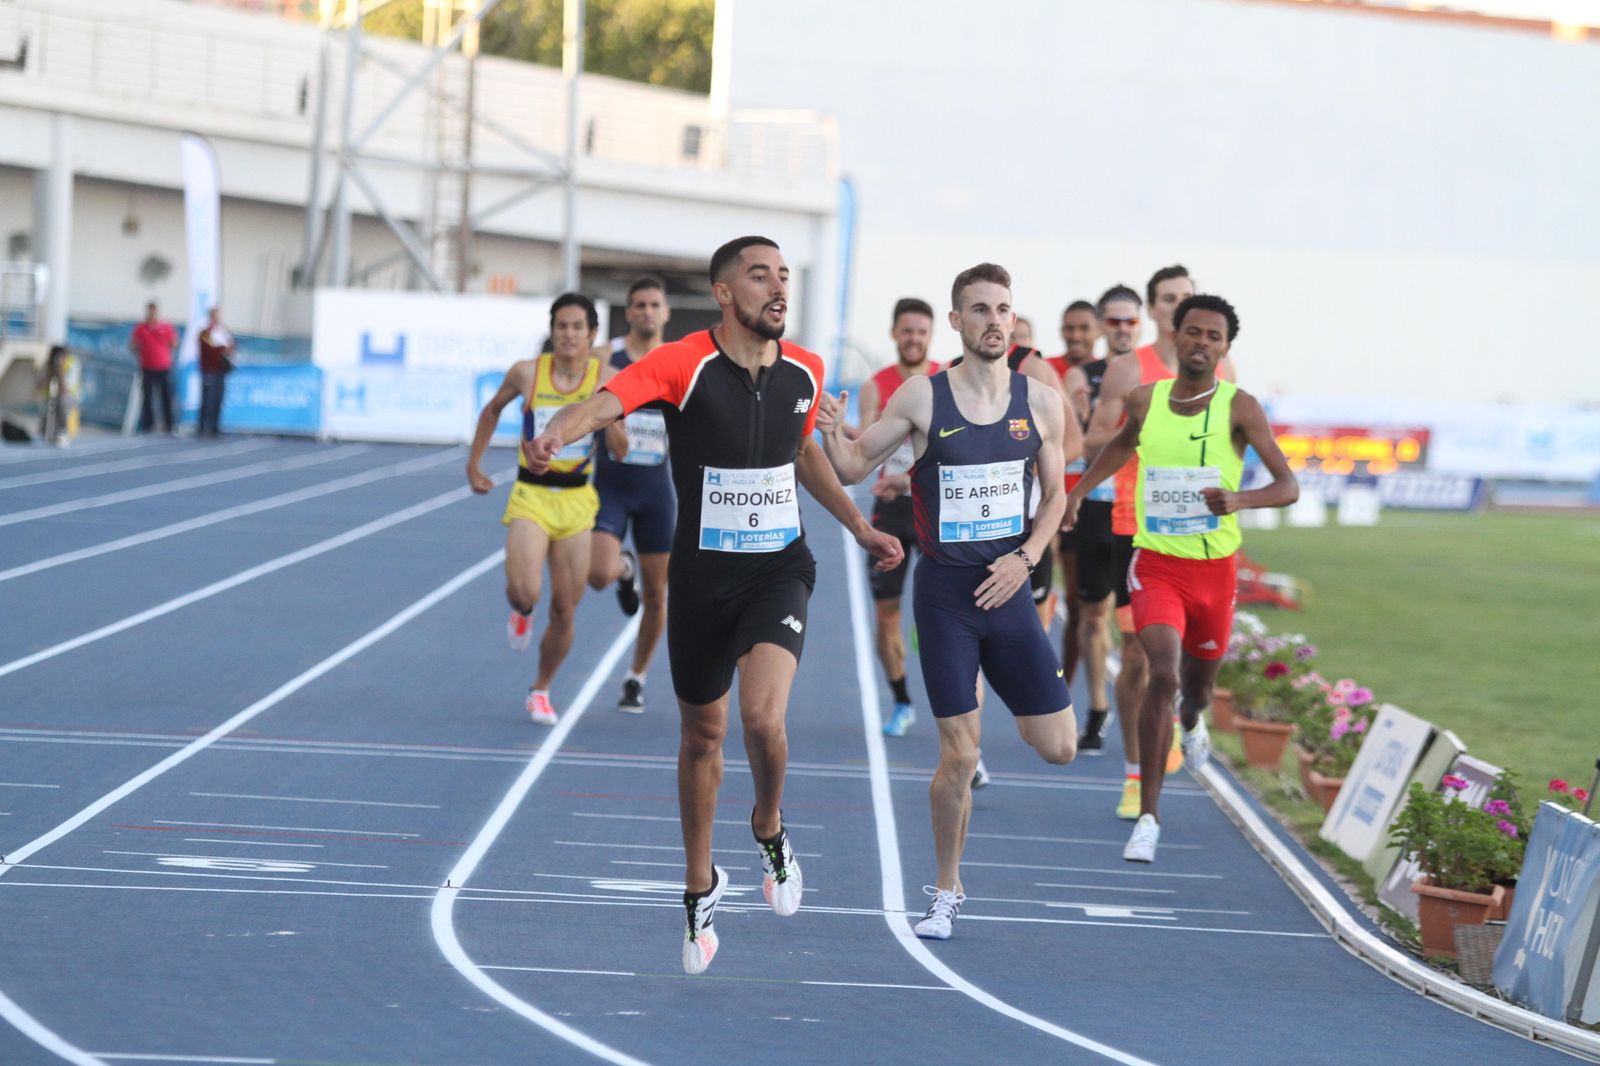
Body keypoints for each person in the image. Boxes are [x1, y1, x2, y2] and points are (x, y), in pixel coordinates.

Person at [523, 236, 903, 976]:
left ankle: (769, 824)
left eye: (784, 275)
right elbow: (605, 403)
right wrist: (554, 434)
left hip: (779, 570)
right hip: (702, 578)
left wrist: (859, 528)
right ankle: (700, 886)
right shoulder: (682, 362)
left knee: (762, 719)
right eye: (761, 276)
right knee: (703, 736)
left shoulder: (807, 370)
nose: (779, 287)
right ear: (725, 293)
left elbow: (804, 452)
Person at [816, 262, 1077, 941]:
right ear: (956, 321)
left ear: (1013, 319)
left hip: (1009, 589)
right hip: (946, 598)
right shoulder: (922, 397)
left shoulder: (1041, 401)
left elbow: (1056, 497)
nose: (994, 320)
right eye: (980, 309)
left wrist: (1026, 559)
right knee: (959, 755)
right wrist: (832, 430)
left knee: (1059, 747)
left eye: (1003, 309)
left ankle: (1003, 689)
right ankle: (946, 890)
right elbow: (852, 467)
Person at [1064, 294, 1297, 863]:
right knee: (1161, 674)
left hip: (1214, 572)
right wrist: (1076, 494)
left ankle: (1193, 721)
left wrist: (1238, 500)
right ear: (1176, 337)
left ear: (1225, 348)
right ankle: (1149, 816)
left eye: (1213, 337)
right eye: (1193, 332)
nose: (1201, 343)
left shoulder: (1241, 408)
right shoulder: (1145, 400)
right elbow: (1120, 445)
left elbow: (1287, 486)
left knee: (1195, 690)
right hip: (1156, 564)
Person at [1086, 272, 1238, 810]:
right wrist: (1150, 431)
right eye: (1170, 300)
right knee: (1137, 657)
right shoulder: (1130, 370)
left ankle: (1185, 719)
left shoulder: (1225, 373)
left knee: (1184, 668)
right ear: (1153, 310)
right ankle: (1135, 775)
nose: (1179, 307)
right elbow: (1095, 440)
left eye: (1186, 298)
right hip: (1138, 530)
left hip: (1201, 539)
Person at [465, 293, 628, 726]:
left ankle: (541, 689)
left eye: (577, 327)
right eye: (561, 326)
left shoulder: (607, 378)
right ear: (552, 330)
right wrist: (474, 464)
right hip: (532, 495)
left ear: (592, 334)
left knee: (565, 610)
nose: (569, 335)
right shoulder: (527, 372)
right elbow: (492, 410)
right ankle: (521, 612)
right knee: (525, 592)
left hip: (577, 500)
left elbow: (623, 449)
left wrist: (611, 419)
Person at [587, 276, 676, 713]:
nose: (647, 312)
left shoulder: (677, 362)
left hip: (657, 491)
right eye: (639, 305)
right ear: (628, 312)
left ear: (666, 312)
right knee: (597, 574)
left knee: (658, 595)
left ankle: (635, 678)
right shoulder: (605, 358)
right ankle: (624, 569)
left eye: (654, 305)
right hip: (612, 486)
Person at [857, 297, 941, 738]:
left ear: (931, 336)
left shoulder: (947, 380)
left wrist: (909, 480)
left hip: (937, 509)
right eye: (906, 330)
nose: (913, 339)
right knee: (886, 612)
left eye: (921, 332)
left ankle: (952, 703)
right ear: (894, 333)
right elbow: (865, 447)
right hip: (890, 509)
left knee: (947, 613)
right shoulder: (876, 386)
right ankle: (902, 701)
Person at [1050, 300, 1101, 689]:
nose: (1076, 335)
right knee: (1034, 594)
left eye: (1084, 328)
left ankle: (1062, 687)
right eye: (1069, 328)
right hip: (1046, 497)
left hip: (1087, 503)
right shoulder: (1046, 370)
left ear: (1097, 331)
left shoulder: (1109, 376)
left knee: (1077, 604)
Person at [130, 302, 176, 434]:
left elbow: (173, 343)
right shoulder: (141, 328)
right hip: (147, 367)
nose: (152, 314)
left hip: (163, 367)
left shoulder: (165, 327)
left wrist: (164, 352)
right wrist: (141, 351)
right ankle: (148, 424)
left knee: (165, 397)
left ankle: (169, 424)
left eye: (154, 311)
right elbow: (133, 345)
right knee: (147, 397)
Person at [196, 307, 236, 438]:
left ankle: (214, 427)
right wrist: (222, 349)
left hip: (220, 370)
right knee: (207, 399)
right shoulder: (205, 333)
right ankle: (202, 426)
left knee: (218, 399)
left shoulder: (223, 331)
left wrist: (226, 349)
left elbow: (231, 346)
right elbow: (209, 349)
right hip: (209, 370)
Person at [35, 345, 78, 446]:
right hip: (50, 397)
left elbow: (64, 389)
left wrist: (60, 372)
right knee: (47, 407)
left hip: (68, 397)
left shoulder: (72, 365)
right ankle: (43, 432)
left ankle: (63, 432)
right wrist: (49, 373)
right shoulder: (47, 365)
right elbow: (39, 386)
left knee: (61, 403)